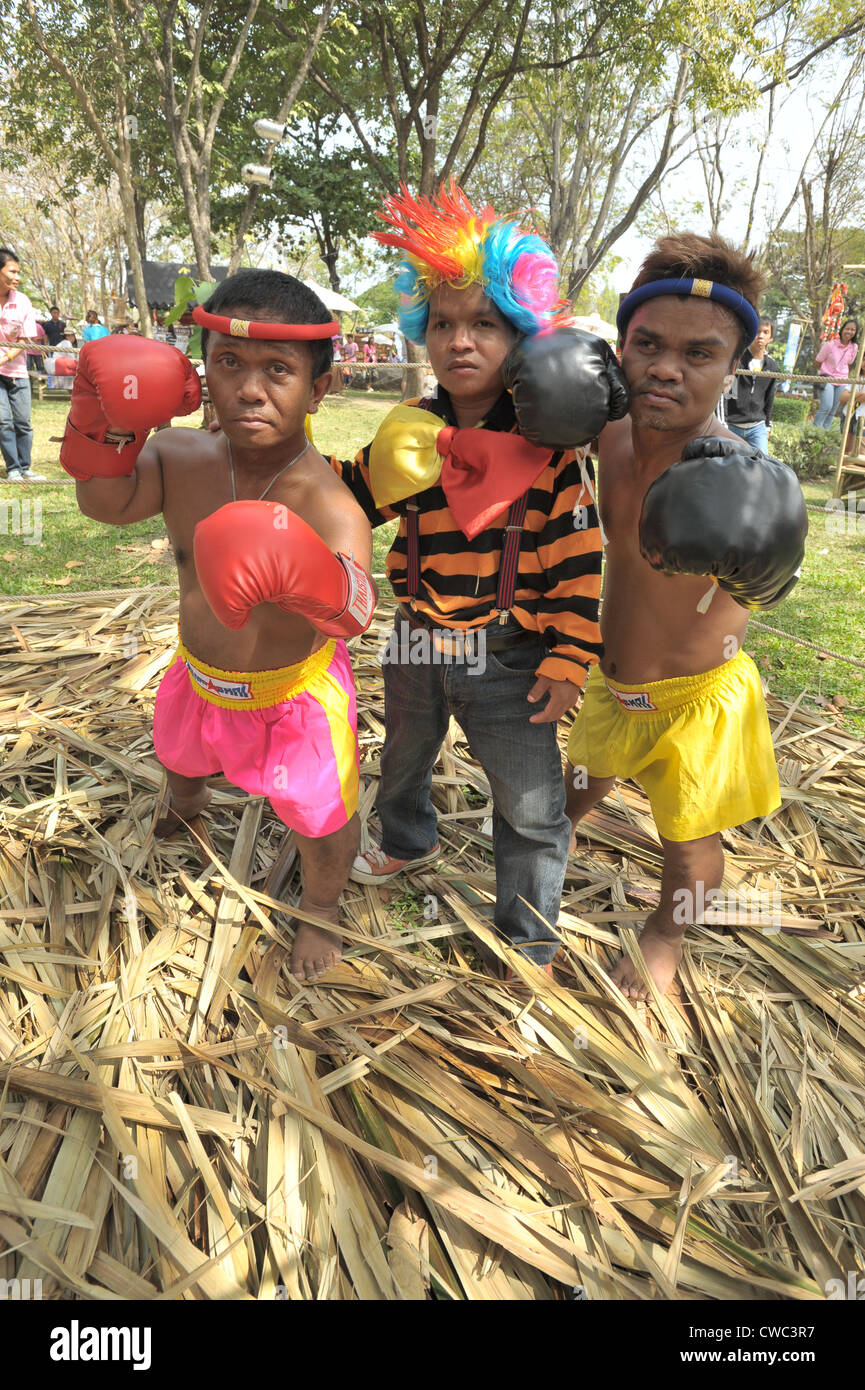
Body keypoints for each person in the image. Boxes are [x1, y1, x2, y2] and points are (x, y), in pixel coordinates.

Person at [331, 184, 628, 982]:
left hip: (509, 655)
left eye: (484, 322)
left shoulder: (552, 453)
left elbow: (577, 562)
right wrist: (281, 461)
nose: (460, 340)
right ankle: (404, 838)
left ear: (522, 331)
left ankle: (527, 932)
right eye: (442, 324)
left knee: (530, 803)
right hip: (416, 635)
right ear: (418, 332)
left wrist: (568, 659)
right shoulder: (410, 434)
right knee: (402, 753)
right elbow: (346, 492)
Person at [63, 270, 376, 984]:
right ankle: (188, 804)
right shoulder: (178, 457)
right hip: (197, 674)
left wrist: (308, 572)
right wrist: (107, 425)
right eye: (229, 364)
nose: (250, 388)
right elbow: (104, 505)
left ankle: (322, 906)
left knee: (320, 818)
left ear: (317, 391)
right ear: (203, 368)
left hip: (294, 698)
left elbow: (357, 610)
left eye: (278, 370)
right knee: (179, 755)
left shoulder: (325, 500)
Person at [559, 234, 807, 999]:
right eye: (647, 345)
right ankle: (552, 843)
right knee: (571, 791)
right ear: (620, 349)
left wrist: (768, 561)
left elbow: (768, 584)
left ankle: (666, 935)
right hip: (612, 681)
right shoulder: (604, 435)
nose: (666, 367)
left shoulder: (743, 479)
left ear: (734, 367)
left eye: (698, 354)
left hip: (696, 703)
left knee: (688, 847)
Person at [0, 248, 47, 483]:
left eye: (19, 272)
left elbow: (25, 341)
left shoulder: (23, 302)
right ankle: (13, 469)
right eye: (12, 271)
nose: (17, 277)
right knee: (3, 421)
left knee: (22, 422)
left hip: (17, 369)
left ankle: (26, 467)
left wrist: (4, 358)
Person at [723, 316, 779, 454]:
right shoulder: (736, 361)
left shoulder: (772, 366)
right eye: (757, 331)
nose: (760, 336)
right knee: (728, 466)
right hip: (732, 425)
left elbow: (769, 398)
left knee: (763, 465)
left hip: (757, 427)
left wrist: (767, 427)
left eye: (765, 332)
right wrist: (722, 422)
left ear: (770, 338)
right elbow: (725, 394)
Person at [813, 319, 858, 428]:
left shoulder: (854, 347)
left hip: (842, 380)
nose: (849, 332)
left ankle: (825, 433)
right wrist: (825, 371)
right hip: (828, 379)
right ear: (842, 329)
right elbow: (818, 361)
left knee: (833, 409)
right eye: (847, 329)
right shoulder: (830, 345)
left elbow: (850, 362)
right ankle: (815, 430)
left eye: (853, 330)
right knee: (826, 406)